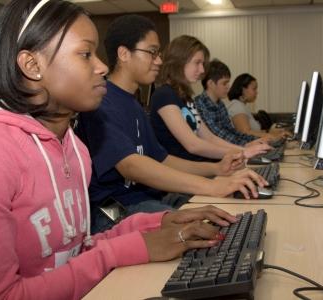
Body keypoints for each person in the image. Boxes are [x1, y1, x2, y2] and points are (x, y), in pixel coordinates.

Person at [0, 1, 240, 299]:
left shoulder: (73, 147)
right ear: (32, 65)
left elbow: (78, 249)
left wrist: (159, 222)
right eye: (85, 54)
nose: (102, 66)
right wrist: (124, 250)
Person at [75, 15, 267, 234]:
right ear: (124, 54)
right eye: (152, 52)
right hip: (115, 210)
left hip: (147, 199)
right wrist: (212, 185)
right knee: (207, 229)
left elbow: (163, 159)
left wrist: (216, 169)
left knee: (226, 214)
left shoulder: (135, 105)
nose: (158, 61)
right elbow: (131, 165)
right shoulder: (102, 103)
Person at [149, 35, 271, 161]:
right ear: (179, 61)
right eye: (197, 63)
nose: (202, 70)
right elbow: (193, 145)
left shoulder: (186, 98)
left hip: (201, 167)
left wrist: (243, 150)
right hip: (184, 172)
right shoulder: (163, 95)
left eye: (202, 64)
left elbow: (209, 137)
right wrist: (242, 153)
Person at [194, 59, 277, 145]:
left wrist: (256, 140)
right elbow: (218, 136)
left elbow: (231, 132)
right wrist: (248, 144)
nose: (228, 86)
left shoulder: (220, 105)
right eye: (224, 83)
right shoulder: (199, 105)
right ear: (211, 83)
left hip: (228, 150)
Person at [227, 73, 291, 139]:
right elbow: (245, 133)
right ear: (243, 89)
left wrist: (271, 132)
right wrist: (272, 136)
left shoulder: (241, 106)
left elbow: (253, 132)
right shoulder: (237, 106)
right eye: (254, 89)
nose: (256, 92)